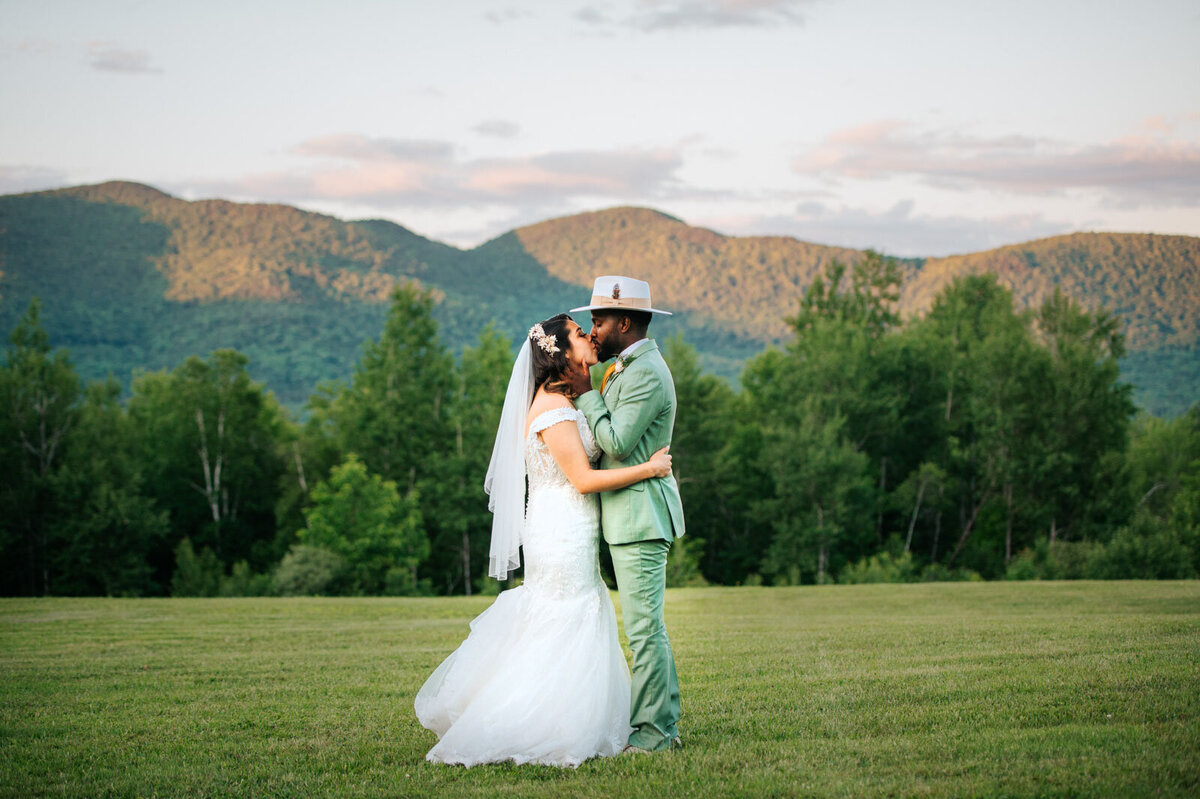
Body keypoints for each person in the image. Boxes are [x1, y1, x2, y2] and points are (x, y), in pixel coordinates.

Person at [413, 313, 673, 767]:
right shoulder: (552, 408)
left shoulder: (563, 399)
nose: (588, 334)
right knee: (564, 618)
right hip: (561, 529)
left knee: (573, 615)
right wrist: (651, 469)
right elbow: (584, 479)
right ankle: (539, 720)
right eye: (578, 333)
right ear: (560, 354)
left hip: (569, 526)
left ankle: (576, 716)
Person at [565, 275, 685, 754]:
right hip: (624, 516)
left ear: (625, 322)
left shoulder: (646, 373)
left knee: (643, 631)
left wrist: (585, 391)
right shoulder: (626, 366)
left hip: (641, 518)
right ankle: (663, 726)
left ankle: (655, 735)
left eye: (599, 320)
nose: (593, 330)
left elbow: (617, 442)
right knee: (644, 629)